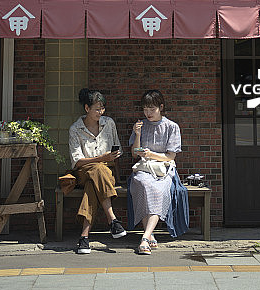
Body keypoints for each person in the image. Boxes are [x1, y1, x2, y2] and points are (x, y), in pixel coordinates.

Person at [128, 89, 189, 255]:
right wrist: (138, 134)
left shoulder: (171, 127)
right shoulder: (140, 125)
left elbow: (170, 156)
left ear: (161, 107)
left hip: (163, 169)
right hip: (144, 168)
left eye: (152, 109)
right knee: (142, 184)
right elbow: (135, 154)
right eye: (145, 109)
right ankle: (149, 235)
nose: (148, 113)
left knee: (158, 190)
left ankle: (145, 237)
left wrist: (151, 154)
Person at [68, 88, 127, 255]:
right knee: (97, 168)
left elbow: (117, 151)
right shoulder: (75, 129)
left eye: (102, 108)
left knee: (92, 186)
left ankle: (84, 237)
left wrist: (111, 158)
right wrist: (101, 158)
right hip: (84, 171)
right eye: (97, 109)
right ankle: (112, 219)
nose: (101, 112)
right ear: (87, 108)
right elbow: (77, 162)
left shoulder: (109, 123)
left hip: (106, 173)